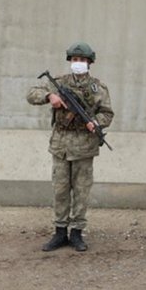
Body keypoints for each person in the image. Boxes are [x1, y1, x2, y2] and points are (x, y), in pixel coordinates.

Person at [27, 42, 114, 252]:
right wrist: (50, 97)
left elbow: (107, 113)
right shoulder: (58, 83)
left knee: (82, 191)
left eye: (82, 60)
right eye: (75, 60)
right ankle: (59, 232)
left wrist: (96, 122)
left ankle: (76, 232)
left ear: (89, 63)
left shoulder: (98, 88)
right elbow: (32, 94)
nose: (78, 63)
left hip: (84, 146)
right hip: (61, 145)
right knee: (60, 190)